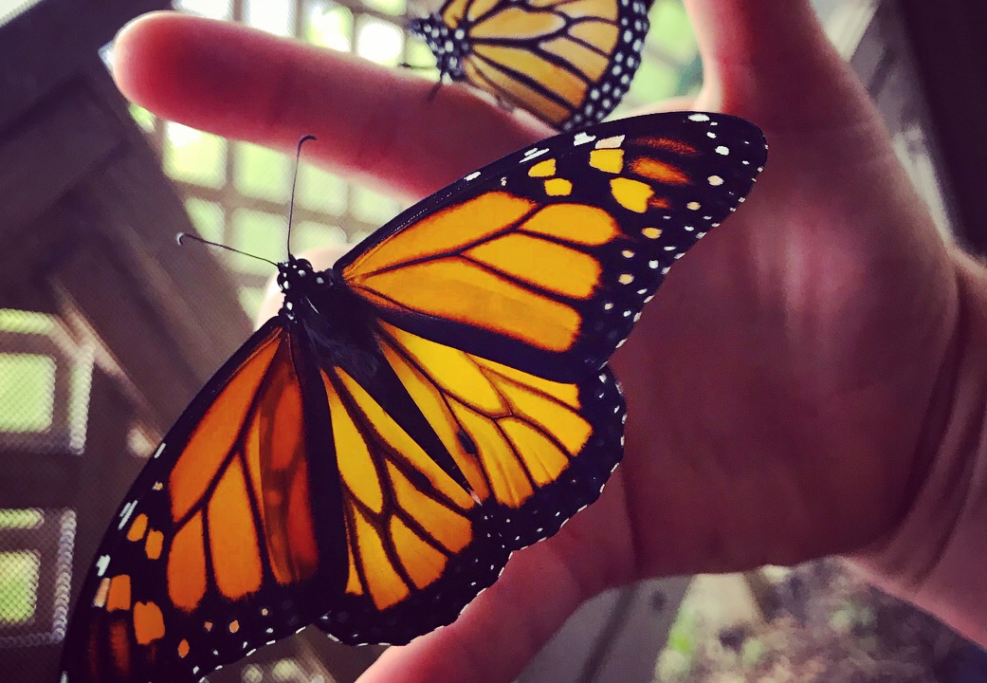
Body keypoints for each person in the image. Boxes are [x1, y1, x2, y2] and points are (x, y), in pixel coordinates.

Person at [111, 2, 987, 681]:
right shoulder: (419, 260)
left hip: (398, 508)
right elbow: (175, 569)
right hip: (492, 421)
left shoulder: (290, 363)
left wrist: (956, 427)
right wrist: (951, 440)